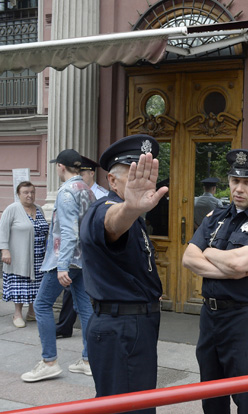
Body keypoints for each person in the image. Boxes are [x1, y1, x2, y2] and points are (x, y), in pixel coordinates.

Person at [183, 149, 248, 414]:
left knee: (247, 397)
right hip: (210, 318)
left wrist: (209, 251)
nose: (239, 188)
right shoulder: (216, 216)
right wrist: (231, 270)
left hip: (245, 321)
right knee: (211, 393)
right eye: (234, 181)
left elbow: (241, 262)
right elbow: (188, 258)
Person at [80, 134, 167, 413]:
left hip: (133, 326)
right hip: (121, 328)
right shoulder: (104, 210)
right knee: (129, 408)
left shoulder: (136, 218)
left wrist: (134, 210)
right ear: (112, 182)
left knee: (132, 404)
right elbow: (112, 224)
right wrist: (130, 207)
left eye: (142, 174)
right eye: (130, 175)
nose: (138, 181)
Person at [21, 149, 95, 383]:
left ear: (61, 167)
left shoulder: (65, 192)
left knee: (42, 305)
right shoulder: (87, 190)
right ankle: (89, 360)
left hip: (65, 260)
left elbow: (68, 232)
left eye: (56, 166)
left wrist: (62, 266)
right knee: (85, 308)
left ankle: (49, 362)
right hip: (82, 260)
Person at [56, 155, 109, 339]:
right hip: (76, 253)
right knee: (73, 295)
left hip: (89, 251)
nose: (80, 175)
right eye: (79, 171)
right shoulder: (76, 190)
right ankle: (65, 327)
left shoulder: (100, 194)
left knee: (86, 296)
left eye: (83, 172)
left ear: (91, 173)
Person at [1, 181, 48, 328]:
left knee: (37, 286)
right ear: (18, 194)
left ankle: (32, 312)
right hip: (19, 255)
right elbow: (3, 230)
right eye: (26, 192)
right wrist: (5, 250)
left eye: (32, 192)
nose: (30, 195)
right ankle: (17, 314)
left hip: (39, 256)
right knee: (20, 284)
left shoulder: (39, 209)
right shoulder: (13, 209)